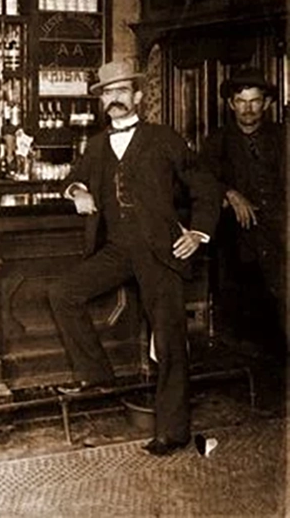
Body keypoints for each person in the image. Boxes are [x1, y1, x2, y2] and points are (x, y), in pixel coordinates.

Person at [47, 59, 220, 457]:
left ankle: (173, 431)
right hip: (118, 249)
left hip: (161, 251)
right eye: (108, 93)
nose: (115, 99)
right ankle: (99, 377)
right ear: (101, 101)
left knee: (169, 338)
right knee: (62, 293)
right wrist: (77, 191)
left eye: (122, 91)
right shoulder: (97, 145)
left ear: (138, 96)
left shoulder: (163, 138)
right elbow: (71, 177)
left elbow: (207, 187)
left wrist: (198, 233)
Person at [198, 67, 286, 355]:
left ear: (267, 103)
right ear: (231, 104)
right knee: (242, 291)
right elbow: (201, 178)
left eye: (255, 101)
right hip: (238, 232)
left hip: (280, 225)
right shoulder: (218, 140)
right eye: (242, 101)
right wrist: (230, 193)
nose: (248, 109)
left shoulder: (282, 137)